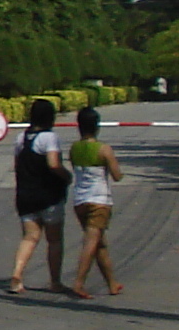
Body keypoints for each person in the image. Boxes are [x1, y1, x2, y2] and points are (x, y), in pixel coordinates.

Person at [9, 97, 69, 295]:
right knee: (54, 240)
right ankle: (55, 281)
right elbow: (53, 164)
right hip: (48, 195)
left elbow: (17, 166)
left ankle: (17, 275)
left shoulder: (21, 138)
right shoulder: (49, 138)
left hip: (25, 195)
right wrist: (66, 176)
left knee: (29, 238)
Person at [66, 106, 127, 299]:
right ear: (97, 126)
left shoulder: (74, 148)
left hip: (80, 201)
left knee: (100, 244)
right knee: (91, 243)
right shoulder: (104, 149)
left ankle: (112, 283)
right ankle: (78, 283)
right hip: (99, 201)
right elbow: (117, 176)